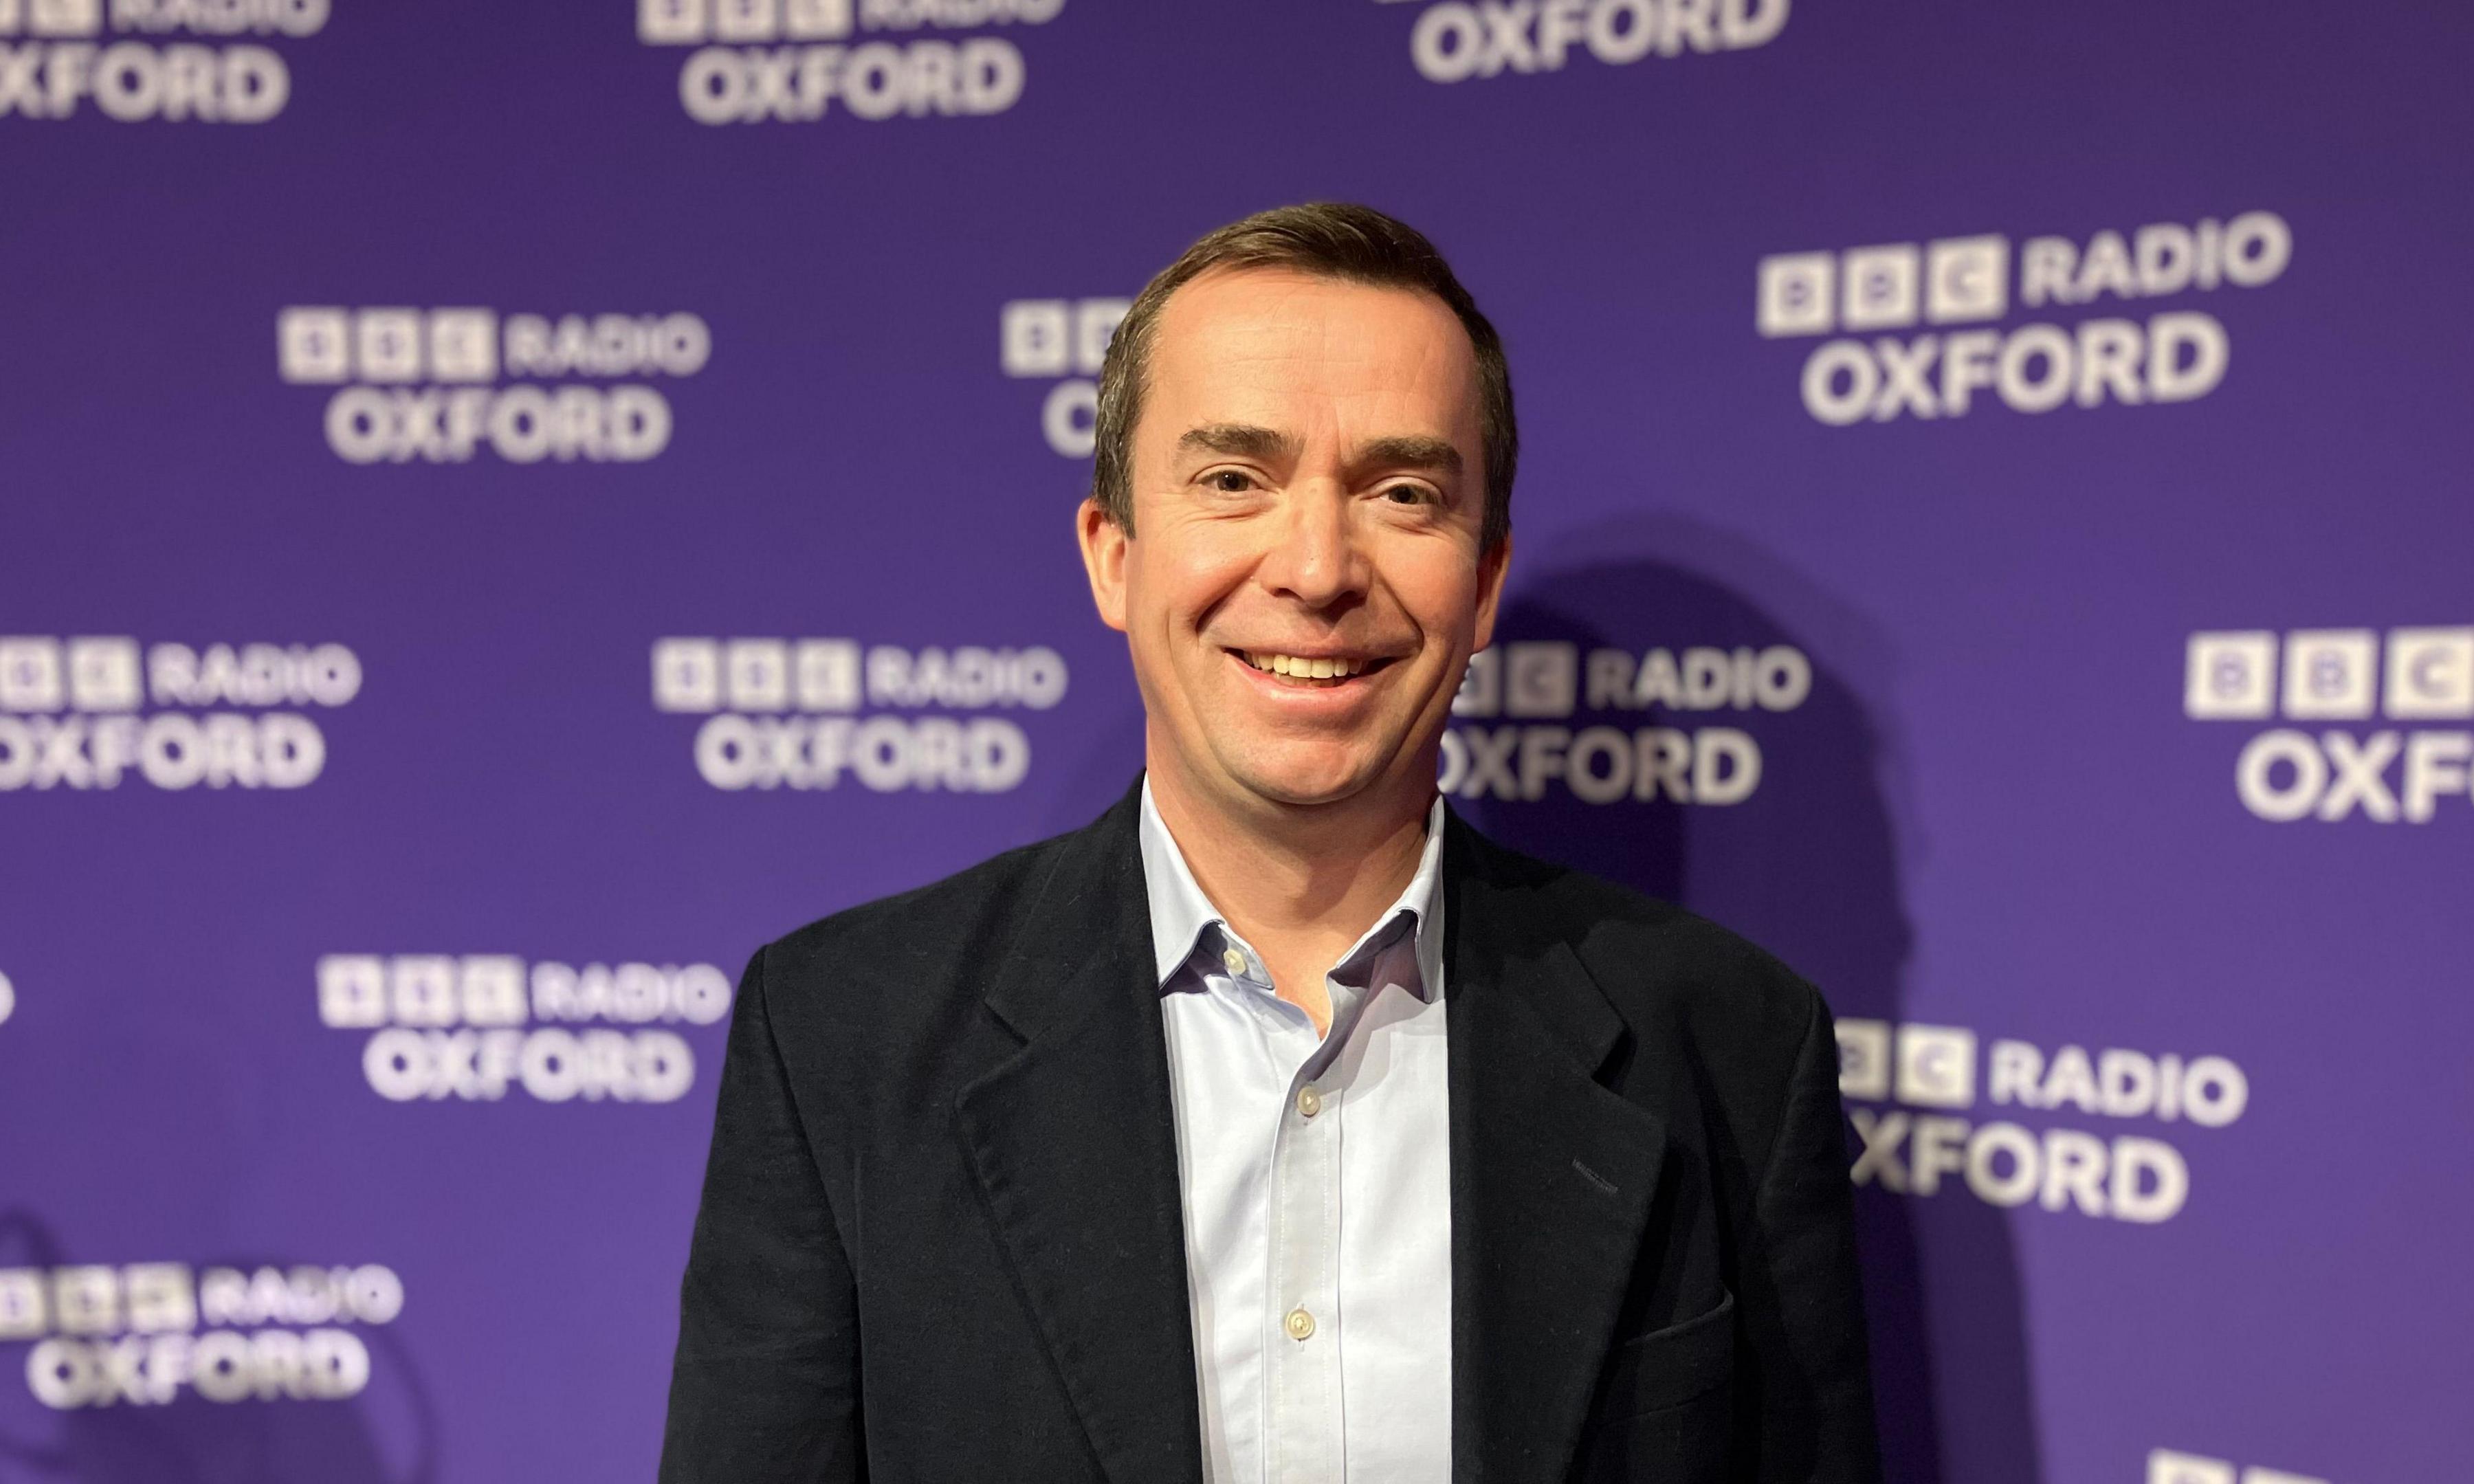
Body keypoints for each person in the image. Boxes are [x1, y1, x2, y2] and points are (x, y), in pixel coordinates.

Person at [659, 203, 1879, 1483]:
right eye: (1234, 480)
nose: (1316, 567)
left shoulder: (1732, 1045)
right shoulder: (843, 1035)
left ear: (1484, 582)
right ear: (1113, 556)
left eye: (1402, 493)